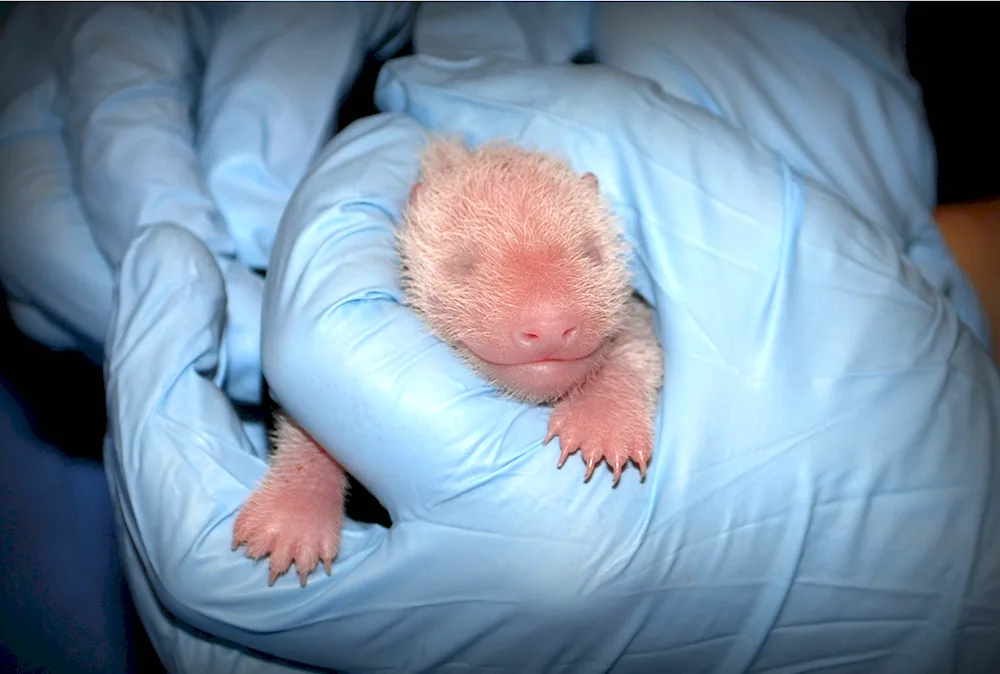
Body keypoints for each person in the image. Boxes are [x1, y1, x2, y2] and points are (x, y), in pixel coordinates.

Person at [1, 2, 998, 672]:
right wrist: (302, 486)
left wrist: (611, 389)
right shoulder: (381, 273)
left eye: (584, 257)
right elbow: (320, 411)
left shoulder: (636, 255)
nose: (551, 310)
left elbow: (637, 341)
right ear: (406, 242)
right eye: (472, 268)